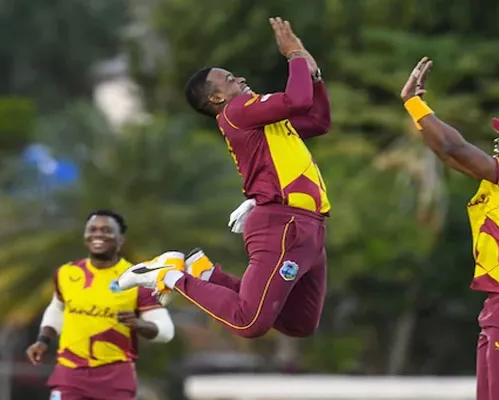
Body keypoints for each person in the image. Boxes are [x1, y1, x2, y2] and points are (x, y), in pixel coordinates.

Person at [113, 17, 330, 340]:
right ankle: (169, 276)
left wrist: (313, 75)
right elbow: (296, 100)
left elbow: (318, 121)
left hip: (310, 227)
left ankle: (205, 273)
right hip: (285, 223)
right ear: (216, 99)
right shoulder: (237, 111)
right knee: (248, 322)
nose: (239, 79)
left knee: (299, 323)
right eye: (229, 79)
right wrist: (294, 55)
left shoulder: (265, 125)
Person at [400, 57, 499, 400]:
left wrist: (416, 104)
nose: (497, 141)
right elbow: (449, 156)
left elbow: (455, 147)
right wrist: (413, 107)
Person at [25, 210, 175, 400]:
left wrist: (139, 324)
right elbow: (57, 308)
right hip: (69, 374)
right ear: (85, 235)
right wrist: (43, 340)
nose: (98, 234)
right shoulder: (66, 273)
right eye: (92, 229)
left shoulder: (138, 279)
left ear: (120, 239)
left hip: (114, 378)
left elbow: (166, 331)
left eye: (106, 230)